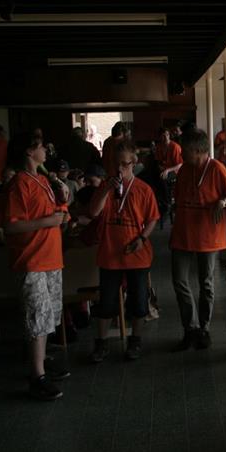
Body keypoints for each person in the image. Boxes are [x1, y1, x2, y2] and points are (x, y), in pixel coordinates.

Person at [4, 132, 68, 400]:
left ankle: (41, 362)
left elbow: (53, 212)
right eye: (41, 147)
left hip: (51, 256)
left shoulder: (42, 180)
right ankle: (36, 376)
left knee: (48, 315)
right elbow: (11, 226)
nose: (46, 151)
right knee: (37, 317)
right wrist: (47, 222)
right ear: (29, 152)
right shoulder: (19, 184)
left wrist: (62, 204)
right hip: (32, 259)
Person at [169, 129, 226, 350]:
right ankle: (190, 328)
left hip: (208, 235)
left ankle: (204, 329)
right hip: (183, 233)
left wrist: (222, 202)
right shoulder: (184, 170)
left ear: (198, 150)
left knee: (206, 283)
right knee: (179, 280)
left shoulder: (216, 168)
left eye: (185, 150)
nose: (181, 154)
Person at [88, 141, 159, 362]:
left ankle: (135, 340)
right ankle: (101, 344)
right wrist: (106, 189)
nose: (120, 169)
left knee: (138, 302)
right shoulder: (105, 187)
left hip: (136, 254)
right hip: (110, 255)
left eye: (125, 164)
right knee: (106, 303)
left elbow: (152, 218)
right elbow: (93, 212)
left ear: (133, 163)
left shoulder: (143, 189)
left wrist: (142, 238)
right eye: (116, 164)